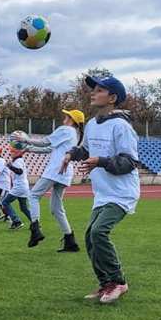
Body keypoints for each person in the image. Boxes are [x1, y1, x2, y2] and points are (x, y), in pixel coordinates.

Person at [61, 76, 140, 304]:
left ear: (112, 98)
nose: (93, 93)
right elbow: (85, 150)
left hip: (122, 193)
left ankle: (119, 282)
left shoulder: (122, 127)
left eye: (99, 90)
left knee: (98, 233)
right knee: (89, 237)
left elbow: (128, 163)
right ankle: (106, 283)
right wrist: (71, 154)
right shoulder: (93, 124)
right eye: (93, 90)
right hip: (103, 193)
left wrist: (102, 161)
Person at [12, 109, 85, 251]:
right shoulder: (74, 134)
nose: (65, 116)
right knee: (56, 208)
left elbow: (45, 142)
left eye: (67, 115)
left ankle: (35, 230)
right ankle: (70, 241)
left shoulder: (65, 129)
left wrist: (24, 140)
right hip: (65, 173)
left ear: (71, 119)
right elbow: (49, 148)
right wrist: (28, 148)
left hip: (55, 170)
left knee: (34, 195)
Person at [0, 146, 32, 230]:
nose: (10, 153)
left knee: (5, 202)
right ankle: (35, 223)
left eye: (12, 152)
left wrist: (10, 166)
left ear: (16, 153)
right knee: (24, 208)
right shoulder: (18, 160)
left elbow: (19, 171)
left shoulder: (17, 161)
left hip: (19, 186)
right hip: (24, 186)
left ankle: (16, 221)